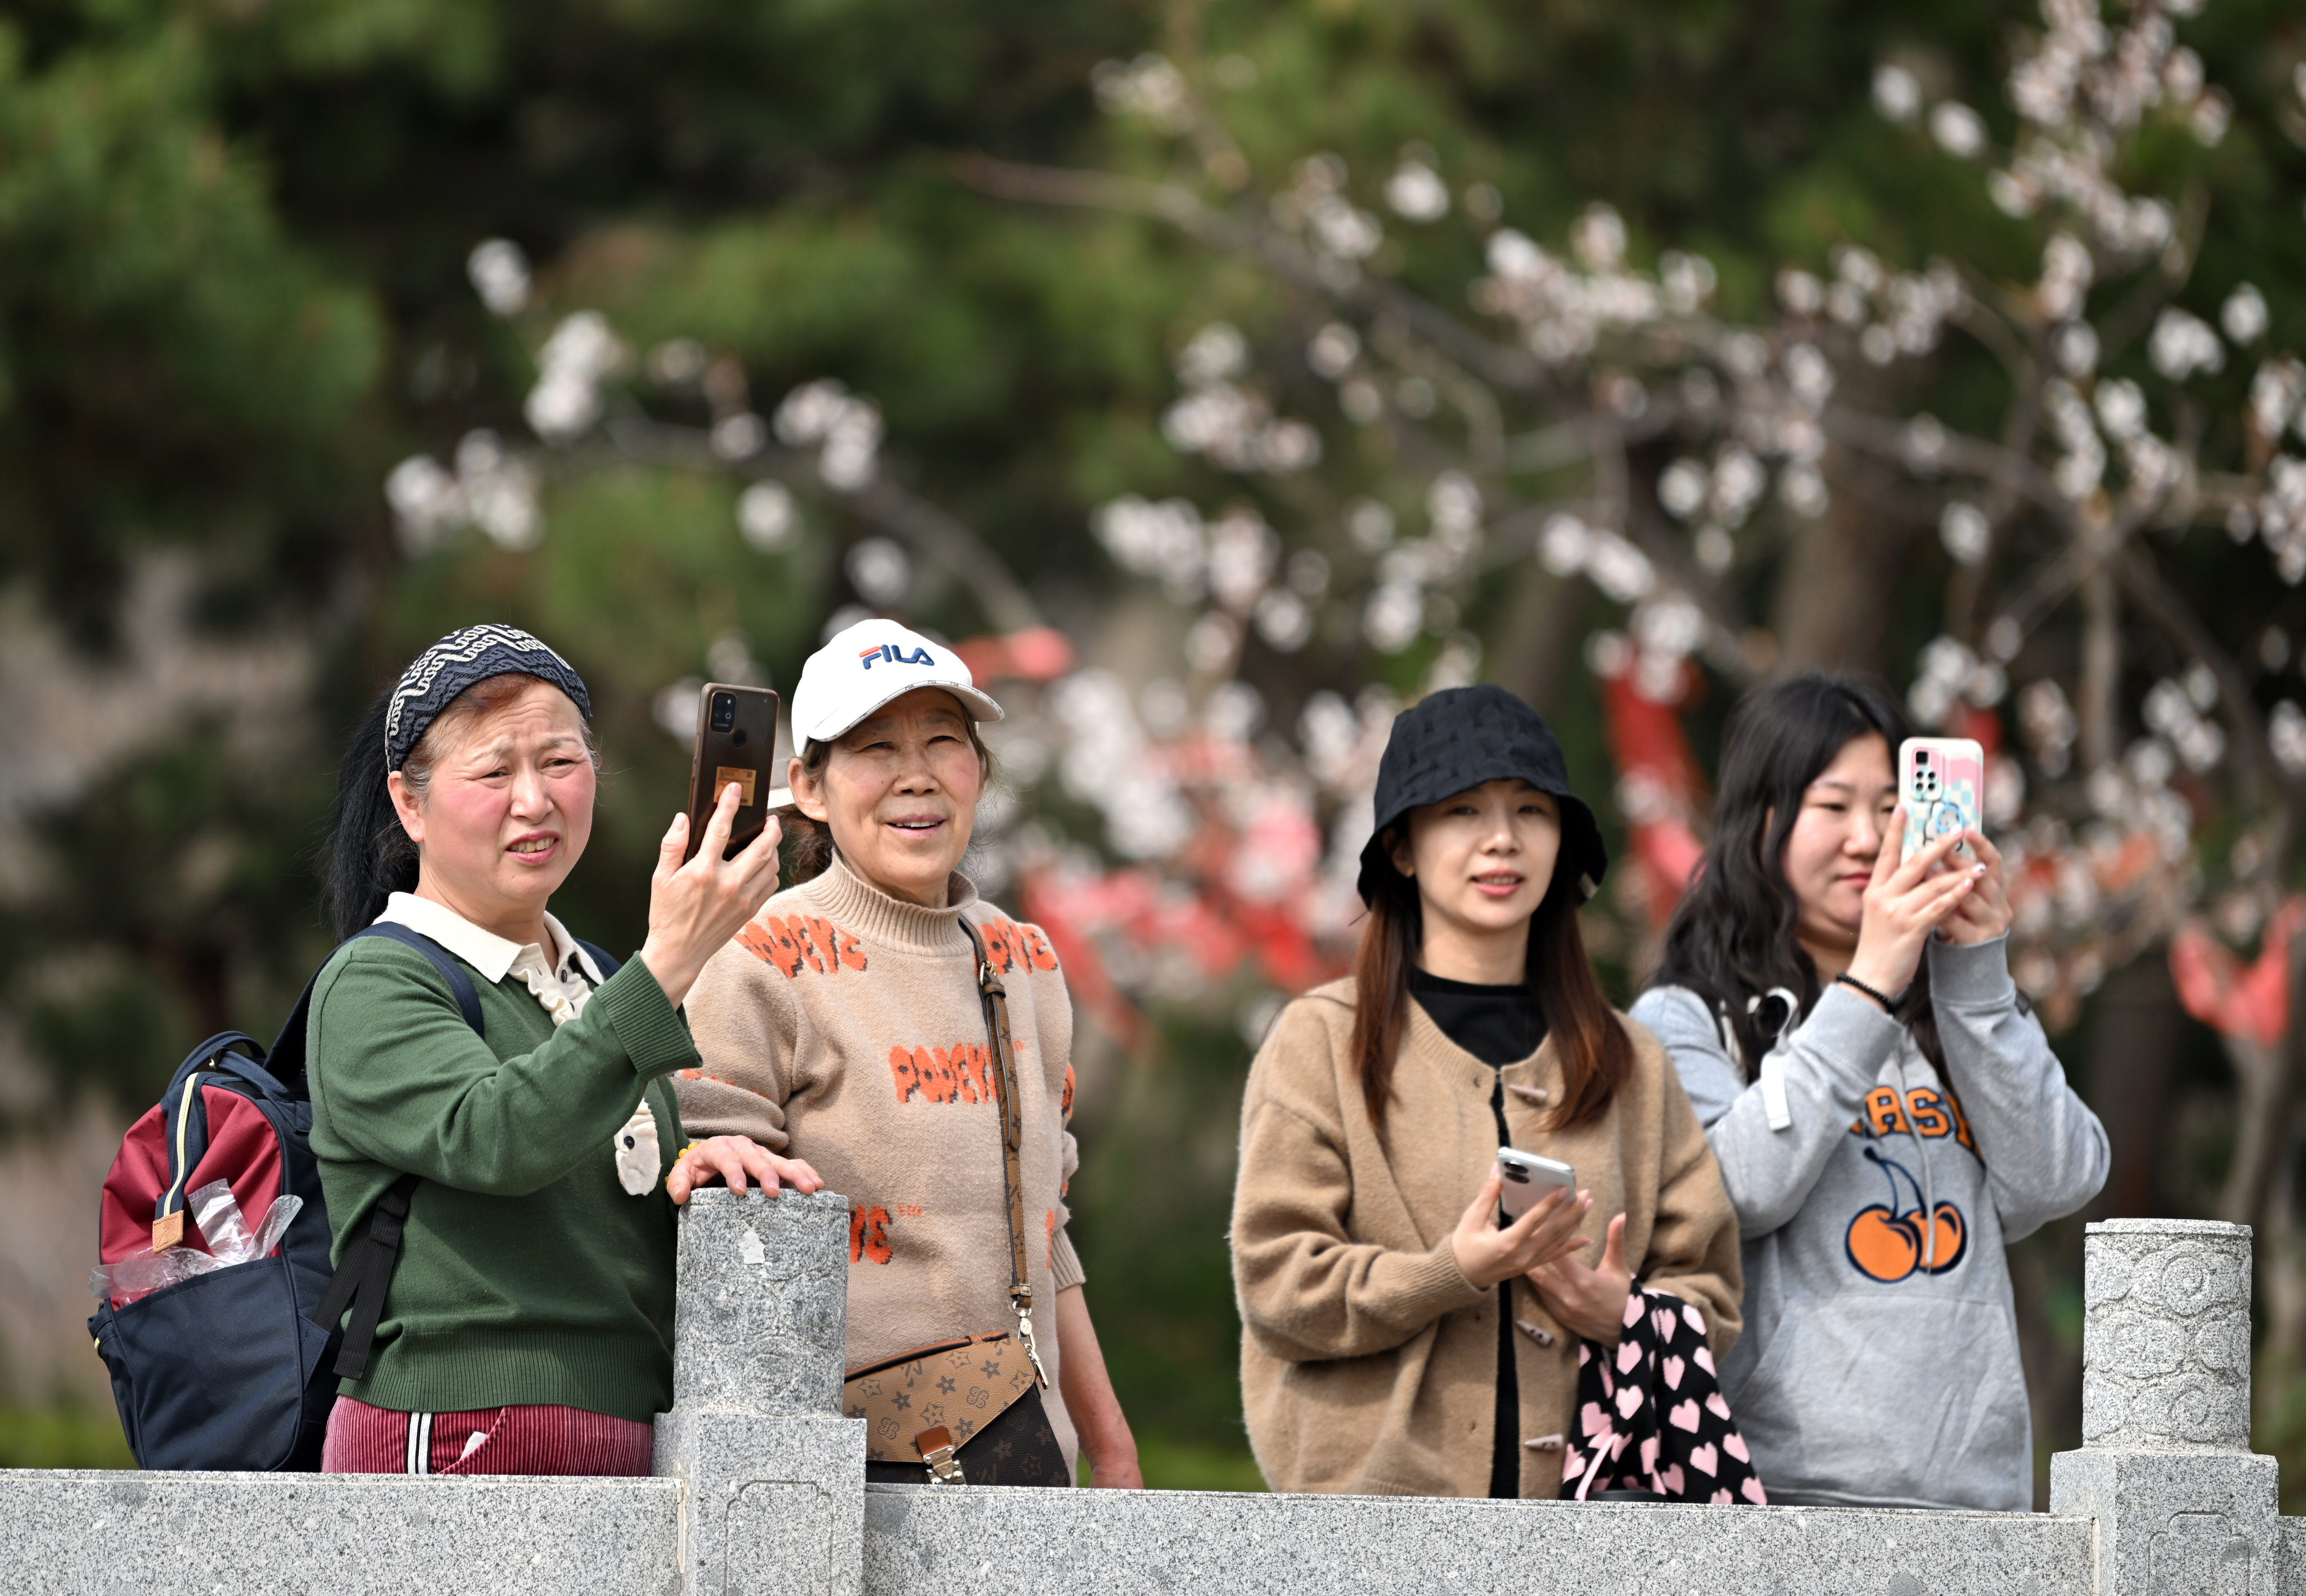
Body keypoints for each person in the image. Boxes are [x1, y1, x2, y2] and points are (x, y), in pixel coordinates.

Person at [309, 623, 805, 1476]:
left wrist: (688, 1161)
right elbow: (500, 1137)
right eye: (494, 771)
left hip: (628, 1428)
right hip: (449, 1423)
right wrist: (673, 961)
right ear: (409, 804)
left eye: (561, 763)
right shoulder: (373, 981)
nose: (534, 799)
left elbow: (582, 1177)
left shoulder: (595, 979)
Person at [1230, 685, 1744, 1500]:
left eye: (1531, 812)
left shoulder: (1632, 1062)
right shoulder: (1322, 1040)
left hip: (1599, 1536)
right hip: (1368, 1532)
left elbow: (1709, 1287)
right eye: (1462, 812)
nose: (1502, 841)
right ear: (1402, 849)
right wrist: (1451, 1272)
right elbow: (1280, 1288)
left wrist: (1623, 1312)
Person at [679, 619, 1141, 1488]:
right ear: (809, 787)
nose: (917, 775)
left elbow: (1050, 1231)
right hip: (835, 1479)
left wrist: (1112, 1448)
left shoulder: (1027, 961)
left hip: (1025, 1459)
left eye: (943, 740)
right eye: (876, 748)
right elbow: (710, 1209)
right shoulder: (760, 955)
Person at [1631, 674, 2109, 1512]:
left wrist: (1974, 981)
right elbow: (1735, 1191)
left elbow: (2061, 1178)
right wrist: (1869, 986)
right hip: (1778, 1499)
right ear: (1763, 819)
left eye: (1893, 805)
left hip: (1974, 1499)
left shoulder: (1956, 1010)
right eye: (1834, 806)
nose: (1869, 837)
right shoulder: (1687, 1017)